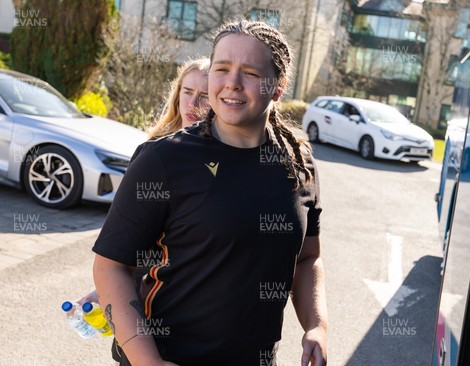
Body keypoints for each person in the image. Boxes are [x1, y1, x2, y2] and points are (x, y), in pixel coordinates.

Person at [92, 20, 328, 366]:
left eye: (249, 72)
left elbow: (308, 259)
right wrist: (149, 363)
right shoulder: (163, 159)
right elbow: (111, 267)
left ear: (278, 87)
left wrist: (317, 325)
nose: (231, 83)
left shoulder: (299, 166)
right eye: (222, 69)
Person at [77, 57, 210, 364]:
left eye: (203, 95)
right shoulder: (155, 152)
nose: (192, 102)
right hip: (147, 326)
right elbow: (128, 244)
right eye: (186, 91)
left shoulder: (225, 161)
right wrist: (108, 291)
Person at [147, 57, 210, 138]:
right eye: (188, 92)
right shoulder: (156, 144)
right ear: (178, 95)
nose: (192, 104)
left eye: (204, 96)